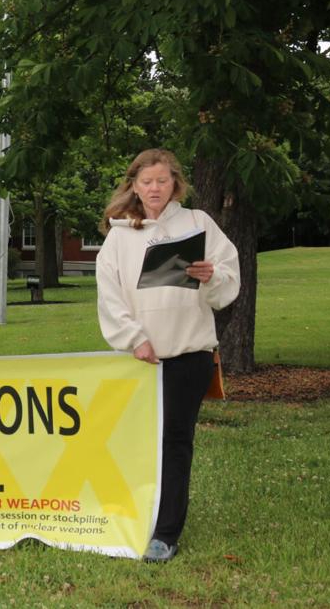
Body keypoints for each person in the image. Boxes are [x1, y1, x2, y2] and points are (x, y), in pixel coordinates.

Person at [95, 149, 240, 563]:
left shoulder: (198, 223)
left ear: (175, 183)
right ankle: (133, 516)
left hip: (188, 356)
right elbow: (110, 296)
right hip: (138, 359)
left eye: (161, 180)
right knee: (137, 443)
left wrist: (211, 276)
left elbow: (228, 282)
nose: (154, 188)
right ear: (134, 187)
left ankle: (166, 533)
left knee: (176, 442)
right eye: (146, 182)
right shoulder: (119, 236)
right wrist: (134, 338)